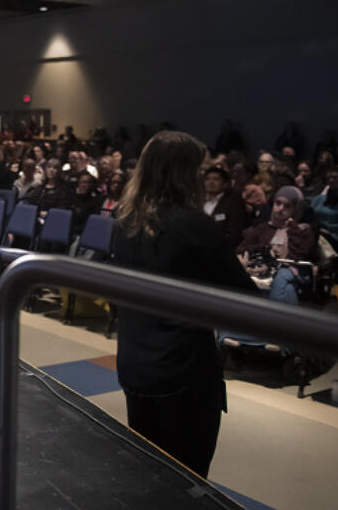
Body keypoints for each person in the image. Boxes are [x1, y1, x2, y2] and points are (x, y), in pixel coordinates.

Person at [109, 131, 254, 478]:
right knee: (188, 480)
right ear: (183, 173)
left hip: (135, 365)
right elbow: (245, 297)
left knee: (148, 478)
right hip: (183, 372)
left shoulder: (124, 222)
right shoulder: (194, 225)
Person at [203, 165, 247, 249]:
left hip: (220, 248)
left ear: (225, 183)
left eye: (216, 179)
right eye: (208, 179)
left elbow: (235, 233)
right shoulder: (199, 202)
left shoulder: (233, 203)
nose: (211, 182)